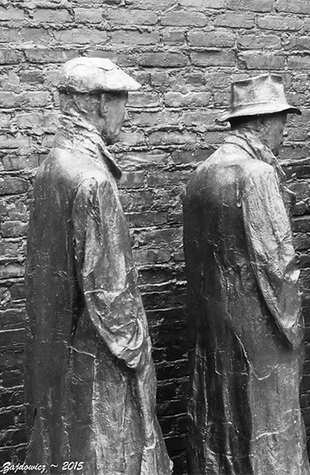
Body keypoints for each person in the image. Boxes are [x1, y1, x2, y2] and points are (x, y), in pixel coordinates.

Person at [24, 57, 172, 475]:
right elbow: (111, 296)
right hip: (96, 364)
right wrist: (139, 359)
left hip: (60, 357)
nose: (125, 114)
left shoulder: (52, 166)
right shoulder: (92, 180)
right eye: (123, 101)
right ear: (102, 104)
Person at [184, 74, 310, 475]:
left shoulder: (201, 174)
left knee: (225, 425)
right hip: (261, 334)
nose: (283, 133)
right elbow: (278, 265)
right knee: (268, 432)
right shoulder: (256, 174)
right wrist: (294, 330)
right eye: (281, 122)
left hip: (215, 331)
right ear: (262, 123)